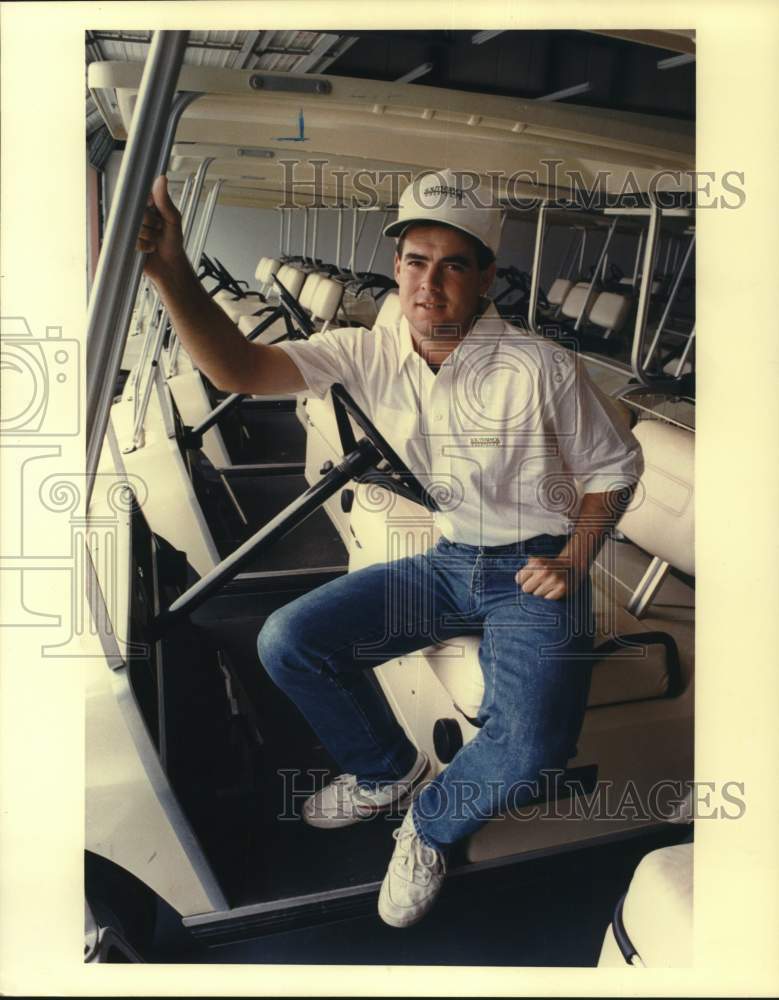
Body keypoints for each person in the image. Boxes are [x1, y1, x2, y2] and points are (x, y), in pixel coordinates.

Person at [137, 168, 643, 929]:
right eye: (414, 260)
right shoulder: (367, 350)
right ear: (397, 265)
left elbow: (615, 469)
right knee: (291, 640)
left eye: (452, 266)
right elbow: (238, 367)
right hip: (450, 560)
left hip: (533, 564)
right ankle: (387, 771)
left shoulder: (539, 367)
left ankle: (429, 826)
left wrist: (572, 559)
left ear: (486, 280)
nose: (427, 283)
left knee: (535, 742)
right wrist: (171, 274)